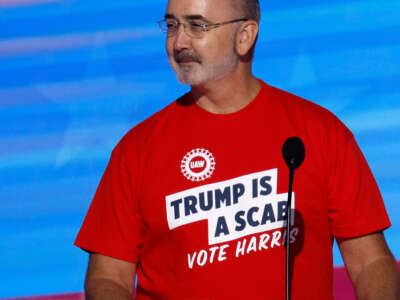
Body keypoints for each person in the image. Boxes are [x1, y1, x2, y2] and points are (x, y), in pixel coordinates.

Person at [75, 0, 400, 299]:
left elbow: (369, 261)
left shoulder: (321, 132)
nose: (179, 43)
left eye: (197, 26)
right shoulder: (137, 149)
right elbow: (109, 277)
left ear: (245, 36)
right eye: (172, 26)